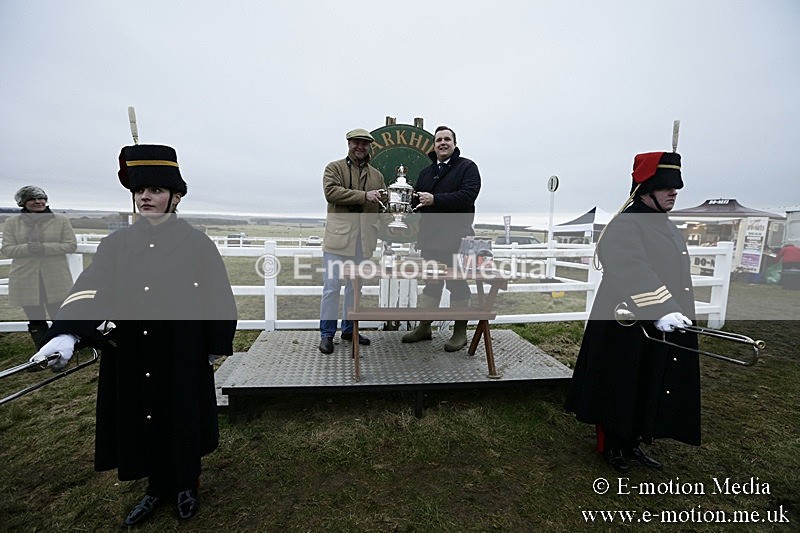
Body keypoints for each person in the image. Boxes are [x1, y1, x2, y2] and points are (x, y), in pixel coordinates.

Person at [30, 144, 237, 526]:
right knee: (144, 416)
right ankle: (155, 487)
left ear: (176, 197)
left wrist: (214, 345)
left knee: (181, 415)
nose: (145, 197)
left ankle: (187, 484)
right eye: (140, 190)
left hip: (181, 348)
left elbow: (217, 295)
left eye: (156, 190)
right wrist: (66, 333)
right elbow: (91, 287)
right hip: (132, 350)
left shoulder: (197, 244)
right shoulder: (117, 244)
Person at [565, 150, 700, 473]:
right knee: (619, 381)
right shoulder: (626, 223)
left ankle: (633, 439)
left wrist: (674, 310)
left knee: (647, 378)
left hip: (656, 321)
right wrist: (662, 308)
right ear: (646, 188)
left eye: (676, 186)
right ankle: (611, 444)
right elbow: (630, 267)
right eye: (666, 186)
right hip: (622, 321)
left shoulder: (662, 223)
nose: (674, 192)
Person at [402, 126, 481, 352]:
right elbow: (418, 201)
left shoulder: (467, 167)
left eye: (447, 139)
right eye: (439, 140)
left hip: (456, 239)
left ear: (454, 144)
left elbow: (468, 196)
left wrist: (435, 199)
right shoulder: (426, 173)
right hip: (429, 239)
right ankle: (424, 328)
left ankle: (460, 333)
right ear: (434, 145)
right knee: (432, 283)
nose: (443, 143)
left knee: (457, 284)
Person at [318, 128, 385, 354]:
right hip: (337, 242)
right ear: (349, 143)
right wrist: (364, 196)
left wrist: (396, 220)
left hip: (363, 242)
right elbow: (331, 192)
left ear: (369, 147)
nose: (360, 147)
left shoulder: (377, 176)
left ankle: (349, 330)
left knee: (355, 290)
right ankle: (327, 335)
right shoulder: (334, 168)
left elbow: (381, 208)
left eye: (364, 144)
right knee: (332, 288)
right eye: (356, 142)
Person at [1, 186, 77, 349]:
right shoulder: (12, 223)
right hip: (25, 279)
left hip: (55, 278)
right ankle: (43, 352)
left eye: (41, 198)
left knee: (60, 317)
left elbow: (71, 245)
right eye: (32, 199)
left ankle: (64, 350)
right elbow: (6, 249)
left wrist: (44, 248)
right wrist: (27, 248)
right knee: (35, 319)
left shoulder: (61, 220)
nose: (38, 202)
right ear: (23, 203)